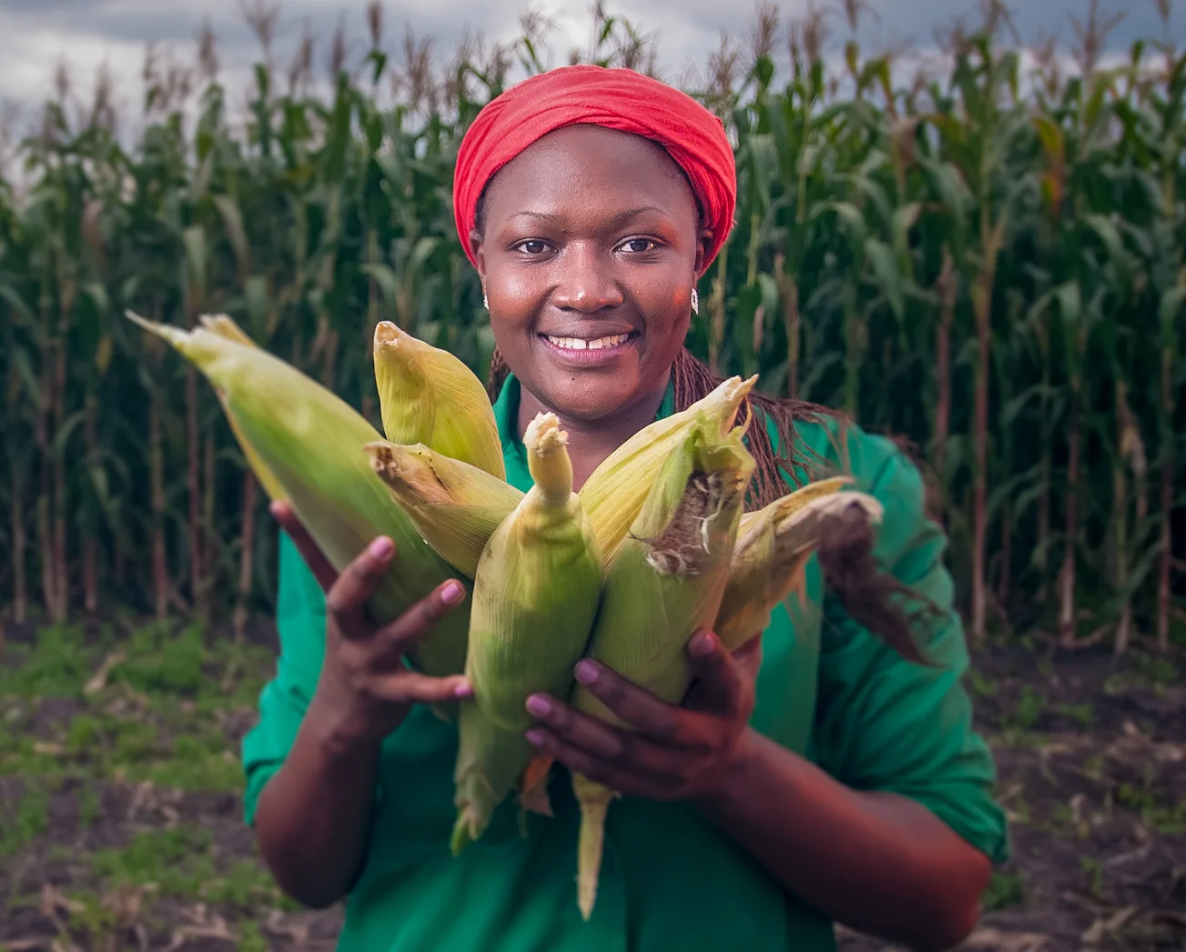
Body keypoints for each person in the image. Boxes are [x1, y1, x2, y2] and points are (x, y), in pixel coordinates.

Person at [239, 64, 1008, 952]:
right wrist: (346, 708)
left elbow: (947, 894)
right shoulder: (377, 499)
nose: (588, 289)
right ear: (480, 266)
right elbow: (301, 872)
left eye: (640, 244)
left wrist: (728, 771)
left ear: (699, 261)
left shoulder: (835, 487)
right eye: (533, 246)